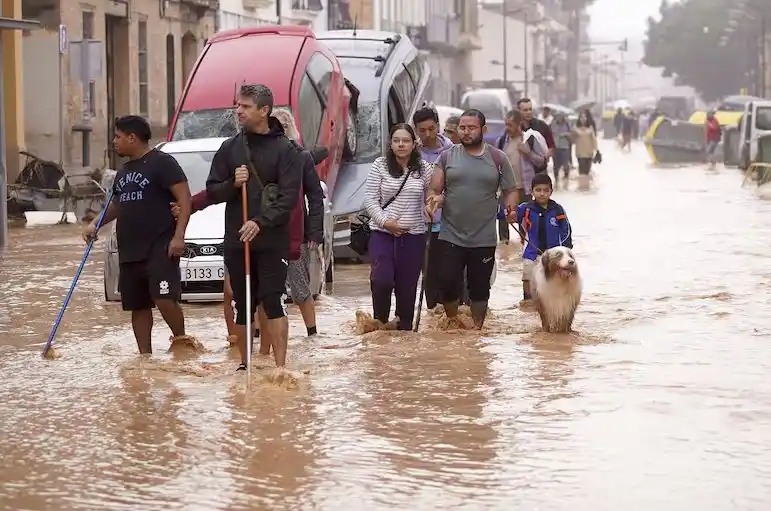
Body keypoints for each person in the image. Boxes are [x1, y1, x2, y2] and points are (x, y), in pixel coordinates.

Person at [205, 83, 302, 377]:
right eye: (238, 105)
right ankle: (245, 364)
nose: (238, 111)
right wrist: (232, 184)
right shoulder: (229, 148)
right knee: (242, 302)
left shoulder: (286, 150)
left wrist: (260, 221)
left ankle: (280, 368)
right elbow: (212, 192)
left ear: (264, 110)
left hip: (271, 239)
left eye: (245, 106)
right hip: (237, 240)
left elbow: (288, 198)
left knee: (273, 300)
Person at [83, 115, 194, 354]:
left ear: (132, 138)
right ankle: (145, 358)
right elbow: (117, 204)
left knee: (164, 298)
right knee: (138, 305)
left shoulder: (163, 163)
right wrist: (95, 224)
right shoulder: (124, 171)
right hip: (130, 248)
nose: (114, 141)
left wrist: (179, 236)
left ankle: (182, 342)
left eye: (118, 136)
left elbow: (185, 198)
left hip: (160, 244)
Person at [426, 109, 518, 329]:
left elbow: (510, 189)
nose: (466, 132)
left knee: (479, 289)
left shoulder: (497, 158)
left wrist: (511, 208)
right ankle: (452, 321)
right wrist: (434, 200)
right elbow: (434, 188)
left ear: (483, 130)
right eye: (462, 128)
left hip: (483, 236)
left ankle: (477, 330)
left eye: (471, 128)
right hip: (451, 233)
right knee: (447, 283)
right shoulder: (447, 156)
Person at [364, 123, 433, 330]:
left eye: (405, 141)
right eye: (396, 141)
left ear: (414, 144)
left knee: (407, 288)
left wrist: (431, 205)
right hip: (382, 234)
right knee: (381, 280)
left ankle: (404, 332)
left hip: (413, 237)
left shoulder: (424, 169)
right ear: (390, 144)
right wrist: (386, 222)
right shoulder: (380, 165)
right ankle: (381, 325)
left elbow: (434, 194)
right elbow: (370, 200)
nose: (401, 145)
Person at [269, 108, 324, 341]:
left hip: (296, 232)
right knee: (268, 289)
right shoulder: (261, 155)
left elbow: (315, 196)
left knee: (300, 285)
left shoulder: (302, 157)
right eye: (276, 124)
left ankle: (312, 333)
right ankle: (262, 336)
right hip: (267, 231)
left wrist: (314, 231)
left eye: (284, 124)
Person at [413, 107, 455, 311]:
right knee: (428, 274)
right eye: (422, 130)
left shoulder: (453, 152)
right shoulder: (412, 154)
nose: (427, 134)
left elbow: (458, 187)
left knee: (449, 274)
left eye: (431, 128)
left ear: (438, 126)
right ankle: (432, 316)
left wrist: (442, 199)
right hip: (420, 224)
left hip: (449, 223)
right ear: (416, 130)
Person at [512, 173, 573, 306]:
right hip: (531, 253)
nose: (542, 194)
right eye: (538, 190)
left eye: (546, 190)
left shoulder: (558, 210)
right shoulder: (526, 208)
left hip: (554, 255)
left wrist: (565, 250)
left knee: (555, 280)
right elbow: (510, 214)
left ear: (551, 191)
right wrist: (506, 212)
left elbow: (566, 230)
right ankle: (527, 302)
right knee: (528, 277)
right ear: (532, 191)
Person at [498, 108, 546, 218]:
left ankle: (524, 236)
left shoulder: (530, 139)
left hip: (525, 189)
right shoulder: (501, 141)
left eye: (510, 125)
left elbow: (541, 162)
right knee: (503, 219)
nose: (507, 128)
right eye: (506, 124)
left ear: (519, 124)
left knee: (525, 221)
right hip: (506, 189)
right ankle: (504, 237)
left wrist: (528, 153)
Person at [518, 98, 555, 164]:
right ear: (519, 111)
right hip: (522, 168)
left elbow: (551, 146)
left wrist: (545, 157)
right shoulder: (515, 128)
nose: (528, 112)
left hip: (539, 169)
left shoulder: (542, 126)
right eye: (525, 110)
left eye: (530, 109)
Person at [573, 110, 599, 176]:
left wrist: (597, 150)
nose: (583, 119)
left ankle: (586, 185)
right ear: (579, 118)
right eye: (581, 117)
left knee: (587, 172)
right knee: (582, 172)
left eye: (585, 117)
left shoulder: (591, 128)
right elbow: (572, 139)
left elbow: (594, 140)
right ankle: (581, 185)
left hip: (589, 153)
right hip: (580, 153)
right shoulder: (575, 128)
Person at [550, 113, 572, 181]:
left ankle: (566, 178)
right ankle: (556, 180)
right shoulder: (553, 124)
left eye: (560, 117)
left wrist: (566, 134)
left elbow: (572, 134)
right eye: (557, 117)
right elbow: (549, 134)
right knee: (556, 165)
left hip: (565, 147)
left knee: (565, 164)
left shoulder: (567, 124)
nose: (559, 118)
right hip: (555, 147)